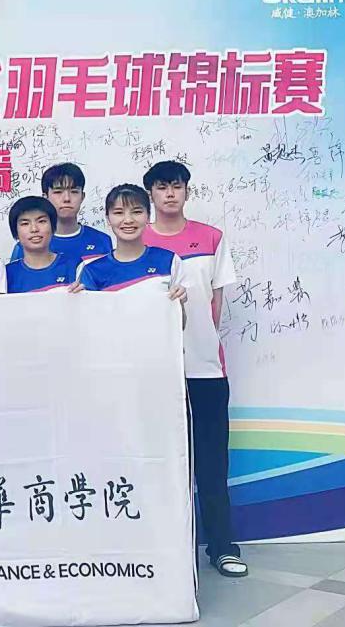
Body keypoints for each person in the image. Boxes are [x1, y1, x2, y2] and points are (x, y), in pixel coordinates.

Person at [140, 160, 247, 579]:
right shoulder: (137, 239)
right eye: (161, 187)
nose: (169, 194)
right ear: (150, 193)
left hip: (205, 368)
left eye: (176, 186)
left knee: (211, 464)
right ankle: (167, 553)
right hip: (153, 373)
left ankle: (222, 547)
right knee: (161, 464)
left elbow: (215, 303)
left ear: (186, 191)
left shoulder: (211, 238)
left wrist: (200, 340)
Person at [78, 184, 186, 303]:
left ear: (148, 216)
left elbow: (178, 314)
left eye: (137, 212)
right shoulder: (92, 271)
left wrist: (180, 302)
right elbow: (89, 313)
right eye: (119, 213)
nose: (128, 220)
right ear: (108, 219)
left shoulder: (169, 260)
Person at [9, 162, 112, 263]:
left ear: (82, 196)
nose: (67, 198)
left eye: (74, 192)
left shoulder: (101, 240)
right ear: (45, 197)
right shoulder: (28, 244)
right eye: (58, 192)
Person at [4, 195, 83, 294]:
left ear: (53, 227)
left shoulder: (75, 266)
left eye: (41, 221)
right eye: (25, 223)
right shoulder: (6, 274)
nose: (34, 229)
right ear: (15, 231)